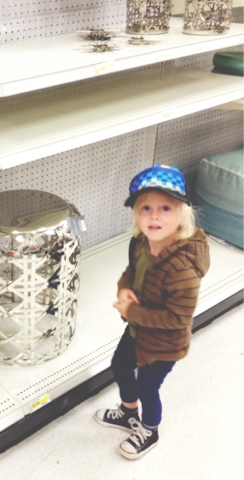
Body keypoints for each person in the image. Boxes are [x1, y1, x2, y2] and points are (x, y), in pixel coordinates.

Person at [95, 165, 210, 460]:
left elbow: (177, 319)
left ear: (182, 213)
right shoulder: (140, 243)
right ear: (136, 213)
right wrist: (124, 288)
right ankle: (128, 412)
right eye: (146, 208)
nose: (154, 216)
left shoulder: (182, 269)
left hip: (165, 342)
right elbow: (132, 273)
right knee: (120, 365)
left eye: (165, 208)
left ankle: (150, 429)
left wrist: (132, 311)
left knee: (148, 386)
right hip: (138, 329)